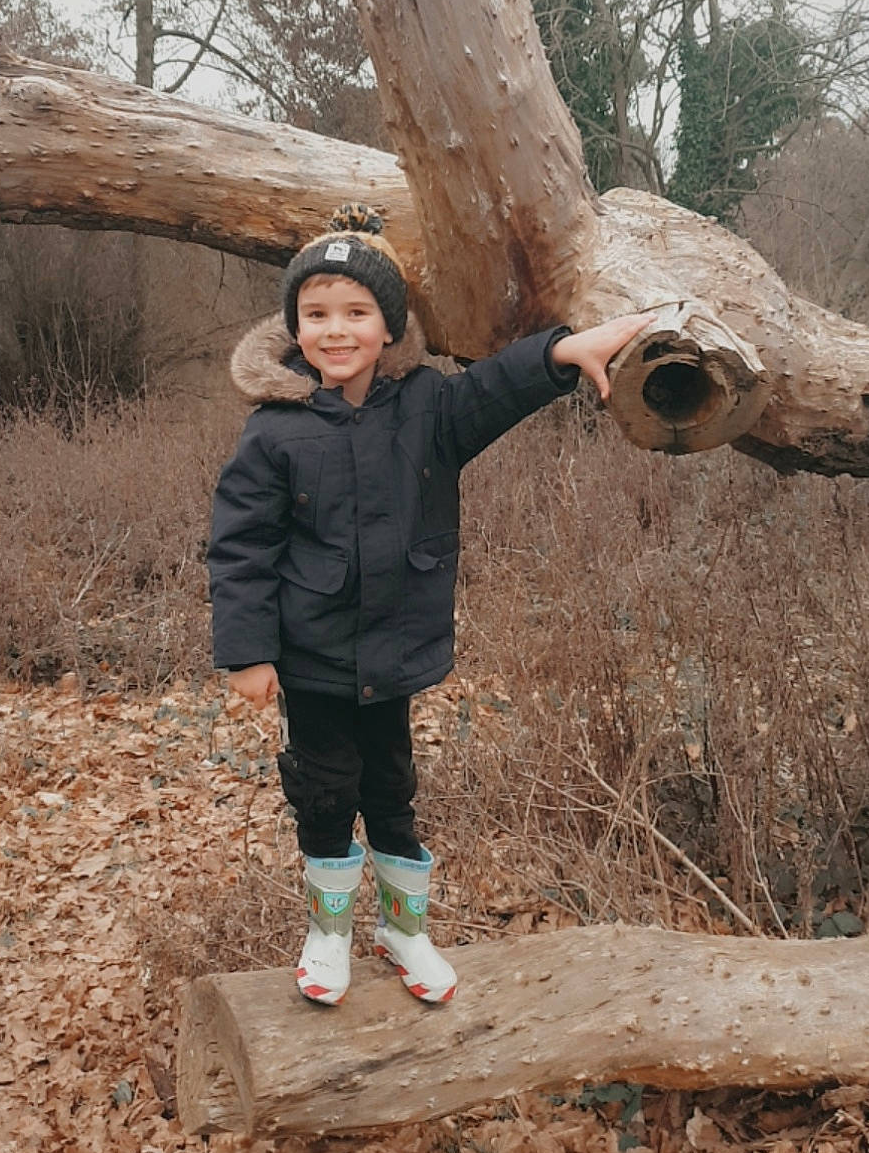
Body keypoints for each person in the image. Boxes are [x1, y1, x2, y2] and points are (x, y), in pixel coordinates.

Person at [208, 205, 652, 1009]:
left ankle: (402, 929)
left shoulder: (427, 409)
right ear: (293, 328)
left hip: (393, 652)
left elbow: (495, 387)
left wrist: (562, 351)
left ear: (389, 326)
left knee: (391, 788)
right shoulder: (272, 432)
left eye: (355, 312)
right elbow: (240, 547)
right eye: (316, 313)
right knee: (322, 789)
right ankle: (328, 934)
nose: (335, 330)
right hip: (310, 657)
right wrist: (248, 652)